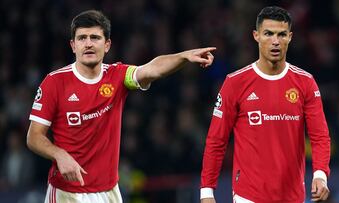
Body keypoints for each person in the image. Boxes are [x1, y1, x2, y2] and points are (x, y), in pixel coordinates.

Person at [26, 10, 215, 203]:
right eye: (82, 38)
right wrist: (59, 154)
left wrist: (184, 56)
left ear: (107, 45)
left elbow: (152, 69)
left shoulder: (117, 76)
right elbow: (33, 137)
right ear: (73, 45)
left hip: (109, 192)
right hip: (67, 192)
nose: (88, 43)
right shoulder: (55, 82)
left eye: (95, 37)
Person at [200, 6, 330, 203]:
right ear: (256, 35)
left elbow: (319, 136)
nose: (275, 41)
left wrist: (320, 174)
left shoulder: (305, 82)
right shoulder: (235, 83)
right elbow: (216, 140)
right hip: (248, 195)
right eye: (268, 34)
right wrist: (207, 191)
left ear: (290, 37)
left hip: (293, 196)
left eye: (281, 34)